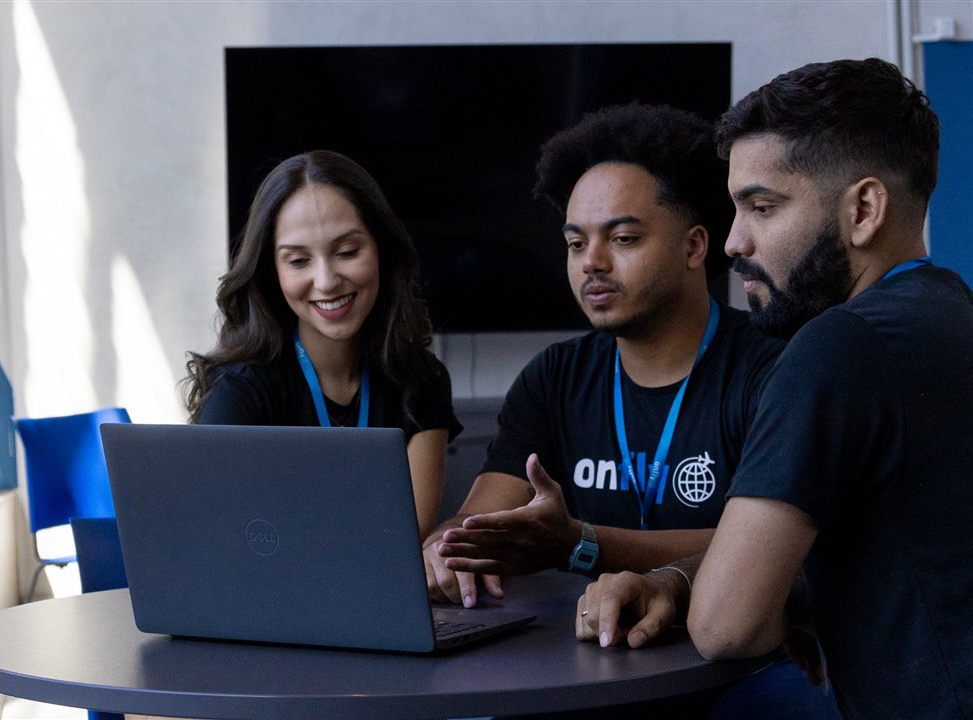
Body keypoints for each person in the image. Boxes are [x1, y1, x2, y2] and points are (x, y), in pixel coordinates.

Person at [577, 58, 973, 719]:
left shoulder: (837, 347)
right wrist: (678, 580)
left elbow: (727, 626)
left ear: (864, 209)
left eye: (762, 206)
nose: (733, 242)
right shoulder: (951, 314)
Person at [424, 104, 836, 717]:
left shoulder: (774, 368)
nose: (591, 261)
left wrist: (579, 544)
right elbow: (485, 518)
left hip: (736, 675)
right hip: (583, 668)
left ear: (696, 245)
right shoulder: (553, 377)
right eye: (574, 243)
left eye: (622, 239)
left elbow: (766, 553)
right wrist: (447, 546)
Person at [184, 150, 461, 538]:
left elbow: (404, 535)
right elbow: (227, 538)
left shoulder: (422, 381)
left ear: (381, 249)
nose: (326, 280)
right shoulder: (241, 391)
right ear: (272, 271)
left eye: (347, 252)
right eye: (298, 261)